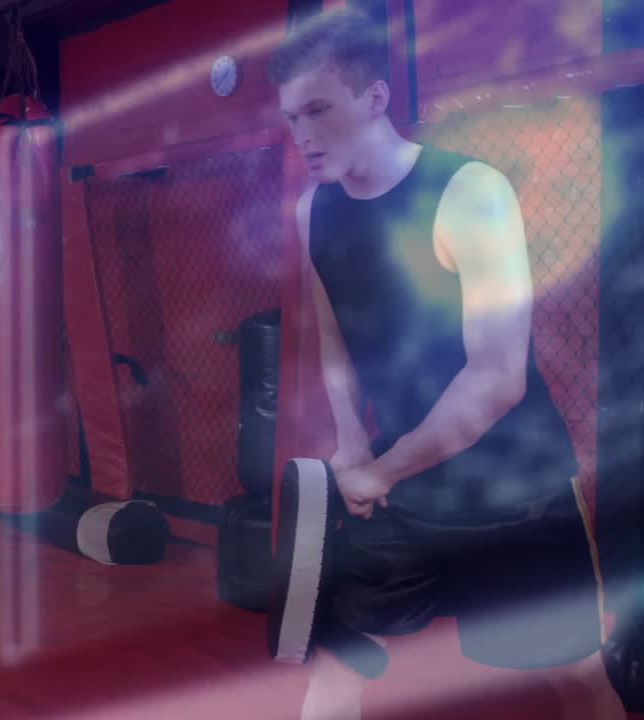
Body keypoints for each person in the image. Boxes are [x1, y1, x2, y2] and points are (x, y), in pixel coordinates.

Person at [268, 8, 625, 720]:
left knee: (575, 675)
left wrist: (381, 468)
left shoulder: (472, 194)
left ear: (375, 98)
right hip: (400, 496)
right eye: (291, 118)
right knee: (340, 668)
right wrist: (350, 443)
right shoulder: (315, 210)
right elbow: (336, 333)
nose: (303, 136)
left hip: (511, 496)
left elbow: (496, 380)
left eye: (318, 111)